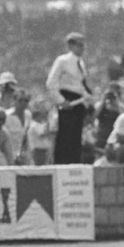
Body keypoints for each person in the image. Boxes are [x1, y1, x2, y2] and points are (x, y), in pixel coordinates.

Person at [46, 32, 93, 164]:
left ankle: (74, 165)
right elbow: (51, 83)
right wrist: (61, 101)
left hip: (78, 102)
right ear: (70, 45)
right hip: (68, 100)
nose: (82, 48)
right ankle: (61, 166)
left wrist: (88, 99)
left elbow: (80, 85)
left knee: (75, 139)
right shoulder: (63, 61)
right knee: (65, 138)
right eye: (79, 45)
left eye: (83, 45)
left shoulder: (81, 63)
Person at [5, 88, 32, 164]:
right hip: (8, 155)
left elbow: (25, 137)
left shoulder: (28, 115)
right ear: (14, 101)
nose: (23, 103)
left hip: (21, 156)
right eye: (20, 100)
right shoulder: (7, 116)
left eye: (26, 100)